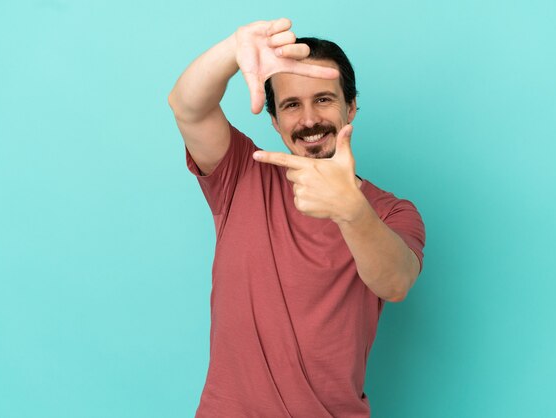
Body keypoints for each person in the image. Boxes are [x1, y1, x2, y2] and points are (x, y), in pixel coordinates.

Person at [168, 18, 425, 418]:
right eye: (291, 105)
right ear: (274, 120)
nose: (308, 120)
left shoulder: (391, 212)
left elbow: (395, 281)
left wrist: (352, 211)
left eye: (323, 99)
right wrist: (233, 50)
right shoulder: (241, 174)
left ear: (351, 106)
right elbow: (187, 105)